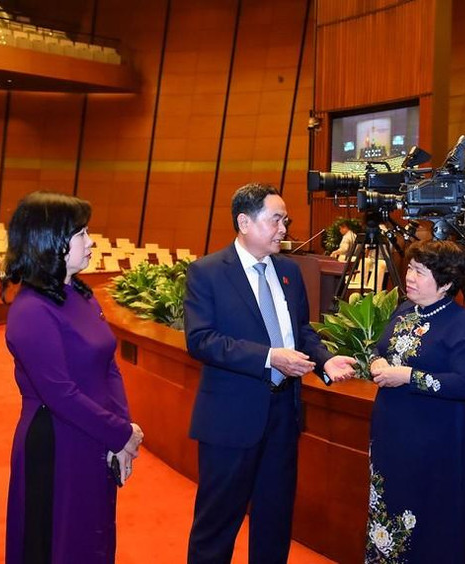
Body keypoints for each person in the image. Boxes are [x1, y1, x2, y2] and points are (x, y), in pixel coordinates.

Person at [184, 183, 356, 563]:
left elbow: (302, 331)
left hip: (283, 415)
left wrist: (325, 360)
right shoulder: (207, 272)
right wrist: (269, 357)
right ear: (244, 222)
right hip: (230, 419)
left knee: (275, 521)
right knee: (216, 525)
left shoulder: (290, 272)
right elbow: (201, 340)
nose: (284, 228)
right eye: (276, 219)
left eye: (285, 220)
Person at [2, 192, 144, 564]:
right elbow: (59, 394)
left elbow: (108, 364)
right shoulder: (30, 311)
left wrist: (121, 427)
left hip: (95, 433)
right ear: (50, 242)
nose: (91, 241)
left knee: (94, 534)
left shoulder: (80, 294)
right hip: (57, 441)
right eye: (81, 233)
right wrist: (119, 434)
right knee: (59, 541)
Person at [364, 240, 465, 563]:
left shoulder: (463, 326)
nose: (410, 277)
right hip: (392, 432)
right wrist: (377, 362)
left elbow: (464, 385)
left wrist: (408, 376)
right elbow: (381, 348)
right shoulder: (405, 310)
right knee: (389, 506)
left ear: (446, 283)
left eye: (420, 272)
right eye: (410, 269)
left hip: (434, 440)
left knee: (430, 515)